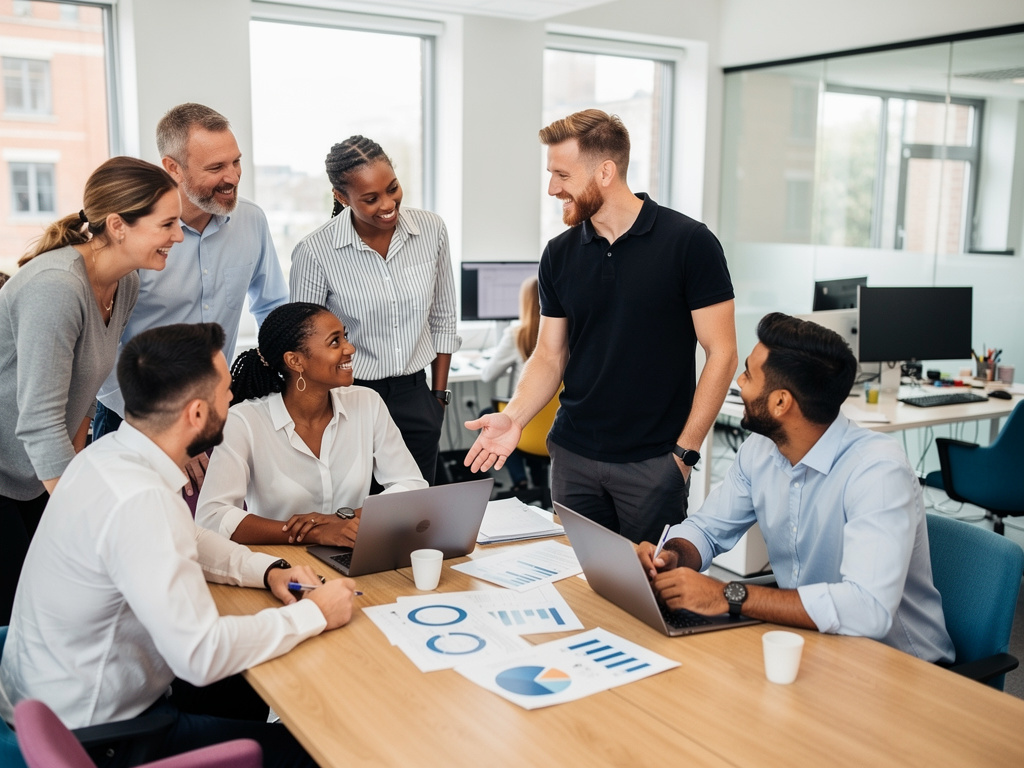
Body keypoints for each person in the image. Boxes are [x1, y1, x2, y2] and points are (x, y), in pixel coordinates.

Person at [0, 322, 356, 768]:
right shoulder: (142, 500)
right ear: (195, 414)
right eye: (226, 391)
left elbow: (188, 538)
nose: (232, 398)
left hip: (59, 694)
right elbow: (200, 655)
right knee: (324, 748)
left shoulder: (106, 458)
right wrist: (315, 614)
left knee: (257, 689)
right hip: (104, 735)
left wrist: (268, 571)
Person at [465, 109, 738, 543]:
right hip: (573, 457)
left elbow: (722, 353)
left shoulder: (689, 243)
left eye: (562, 174)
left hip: (652, 464)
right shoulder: (559, 253)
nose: (553, 188)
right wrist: (514, 417)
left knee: (648, 597)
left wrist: (684, 454)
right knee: (575, 586)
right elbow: (550, 354)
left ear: (606, 172)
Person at [637, 313, 954, 662]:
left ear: (781, 402)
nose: (739, 383)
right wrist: (672, 556)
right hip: (811, 646)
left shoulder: (877, 471)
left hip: (901, 667)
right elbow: (707, 529)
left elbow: (868, 610)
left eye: (748, 374)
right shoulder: (760, 451)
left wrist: (729, 594)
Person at [0, 156, 181, 625]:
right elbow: (38, 421)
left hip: (34, 472)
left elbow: (83, 396)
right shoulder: (57, 287)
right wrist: (85, 515)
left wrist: (77, 480)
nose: (178, 236)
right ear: (118, 225)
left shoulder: (125, 283)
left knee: (56, 601)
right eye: (167, 223)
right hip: (8, 469)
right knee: (16, 610)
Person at [93, 103, 288, 446]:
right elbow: (101, 348)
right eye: (216, 167)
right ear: (173, 168)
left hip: (215, 408)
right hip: (135, 415)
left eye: (236, 161)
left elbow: (272, 307)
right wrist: (155, 422)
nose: (232, 177)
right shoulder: (133, 235)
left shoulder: (252, 221)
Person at [290, 136, 461, 485]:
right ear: (341, 197)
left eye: (392, 188)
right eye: (370, 198)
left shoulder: (431, 230)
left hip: (418, 397)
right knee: (357, 519)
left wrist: (438, 399)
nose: (387, 204)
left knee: (414, 516)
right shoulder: (316, 252)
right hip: (349, 399)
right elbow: (306, 344)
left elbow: (443, 317)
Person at [196, 302, 427, 545]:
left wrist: (342, 521)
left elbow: (412, 485)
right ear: (295, 361)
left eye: (345, 337)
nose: (350, 348)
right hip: (278, 564)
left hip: (351, 553)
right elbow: (213, 516)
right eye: (335, 342)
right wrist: (313, 532)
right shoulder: (244, 422)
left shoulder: (367, 403)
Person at [478, 276, 549, 493]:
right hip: (553, 424)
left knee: (489, 414)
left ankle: (520, 481)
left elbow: (487, 376)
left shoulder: (517, 334)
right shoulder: (568, 332)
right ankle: (538, 484)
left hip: (526, 423)